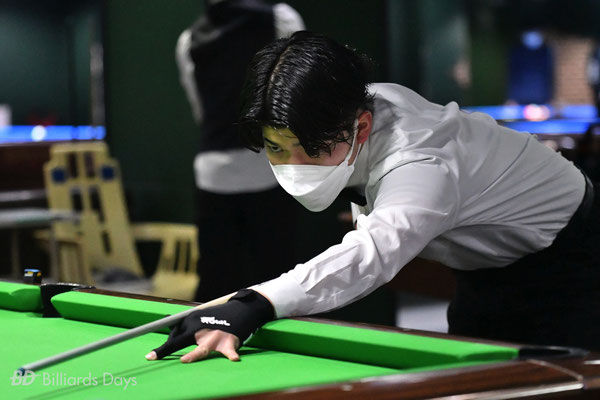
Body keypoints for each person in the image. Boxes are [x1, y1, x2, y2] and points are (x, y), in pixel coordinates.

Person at [147, 31, 600, 363]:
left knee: (562, 379)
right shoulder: (349, 104)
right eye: (276, 147)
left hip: (573, 257)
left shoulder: (422, 163)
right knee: (479, 369)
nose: (293, 164)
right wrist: (251, 297)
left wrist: (256, 303)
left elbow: (373, 254)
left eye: (310, 149)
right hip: (486, 268)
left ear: (361, 127)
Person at [175, 0, 304, 302]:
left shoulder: (188, 40)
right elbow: (298, 90)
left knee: (217, 285)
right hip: (268, 168)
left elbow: (200, 109)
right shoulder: (281, 19)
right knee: (277, 282)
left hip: (216, 170)